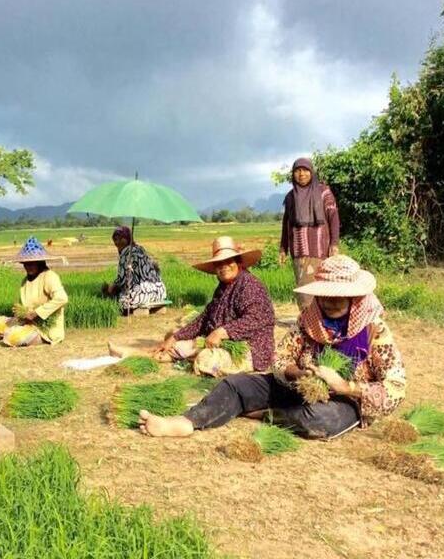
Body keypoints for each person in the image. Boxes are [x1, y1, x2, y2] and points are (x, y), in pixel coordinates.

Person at [138, 255, 406, 440]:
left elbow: (395, 387)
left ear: (355, 296)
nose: (331, 302)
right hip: (298, 388)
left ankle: (261, 414)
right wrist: (298, 374)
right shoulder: (309, 321)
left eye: (339, 297)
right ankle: (186, 422)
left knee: (318, 419)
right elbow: (280, 358)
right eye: (325, 295)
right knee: (235, 384)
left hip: (342, 401)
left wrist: (346, 387)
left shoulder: (374, 330)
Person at [109, 236, 275, 376]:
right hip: (219, 343)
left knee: (205, 358)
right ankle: (133, 354)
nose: (223, 266)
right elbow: (204, 319)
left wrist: (221, 332)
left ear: (238, 262)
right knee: (174, 341)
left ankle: (154, 355)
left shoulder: (250, 285)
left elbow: (257, 318)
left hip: (250, 350)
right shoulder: (223, 287)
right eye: (219, 263)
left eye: (228, 261)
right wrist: (175, 337)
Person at [279, 157, 341, 311]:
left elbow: (333, 217)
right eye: (297, 170)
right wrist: (283, 248)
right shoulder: (290, 196)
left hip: (319, 250)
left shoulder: (323, 191)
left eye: (305, 170)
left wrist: (334, 243)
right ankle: (309, 323)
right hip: (298, 252)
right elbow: (286, 224)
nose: (302, 174)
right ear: (293, 174)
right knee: (303, 288)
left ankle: (316, 323)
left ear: (312, 172)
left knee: (318, 288)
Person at [0, 237, 69, 346]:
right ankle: (18, 332)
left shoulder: (49, 276)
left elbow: (62, 298)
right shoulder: (25, 281)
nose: (28, 266)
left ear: (39, 262)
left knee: (12, 336)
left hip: (44, 328)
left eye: (31, 263)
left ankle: (32, 336)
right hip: (27, 322)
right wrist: (19, 314)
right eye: (26, 263)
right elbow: (23, 308)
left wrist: (36, 313)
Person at [102, 226, 167, 314]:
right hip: (159, 292)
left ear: (126, 239)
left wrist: (111, 287)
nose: (118, 242)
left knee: (121, 299)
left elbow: (121, 279)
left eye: (120, 239)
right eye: (116, 240)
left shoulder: (126, 254)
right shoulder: (141, 249)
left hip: (142, 294)